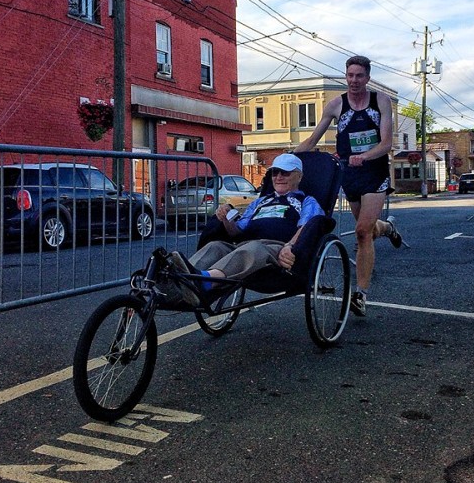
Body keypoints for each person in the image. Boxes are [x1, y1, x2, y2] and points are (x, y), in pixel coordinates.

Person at [294, 55, 401, 318]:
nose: (354, 80)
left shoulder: (381, 102)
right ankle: (387, 227)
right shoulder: (335, 105)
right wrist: (289, 158)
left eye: (359, 76)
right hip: (349, 175)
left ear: (368, 77)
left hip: (374, 173)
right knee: (370, 229)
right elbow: (313, 139)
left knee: (362, 232)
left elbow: (386, 143)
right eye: (350, 75)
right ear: (346, 76)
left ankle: (361, 295)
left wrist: (364, 157)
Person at [168, 153, 324, 307]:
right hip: (245, 244)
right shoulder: (260, 202)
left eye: (285, 172)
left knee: (254, 248)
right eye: (275, 172)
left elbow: (308, 226)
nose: (279, 177)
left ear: (299, 176)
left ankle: (205, 282)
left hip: (277, 248)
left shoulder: (306, 201)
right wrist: (225, 218)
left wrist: (290, 246)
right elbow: (237, 232)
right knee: (215, 246)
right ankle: (180, 280)